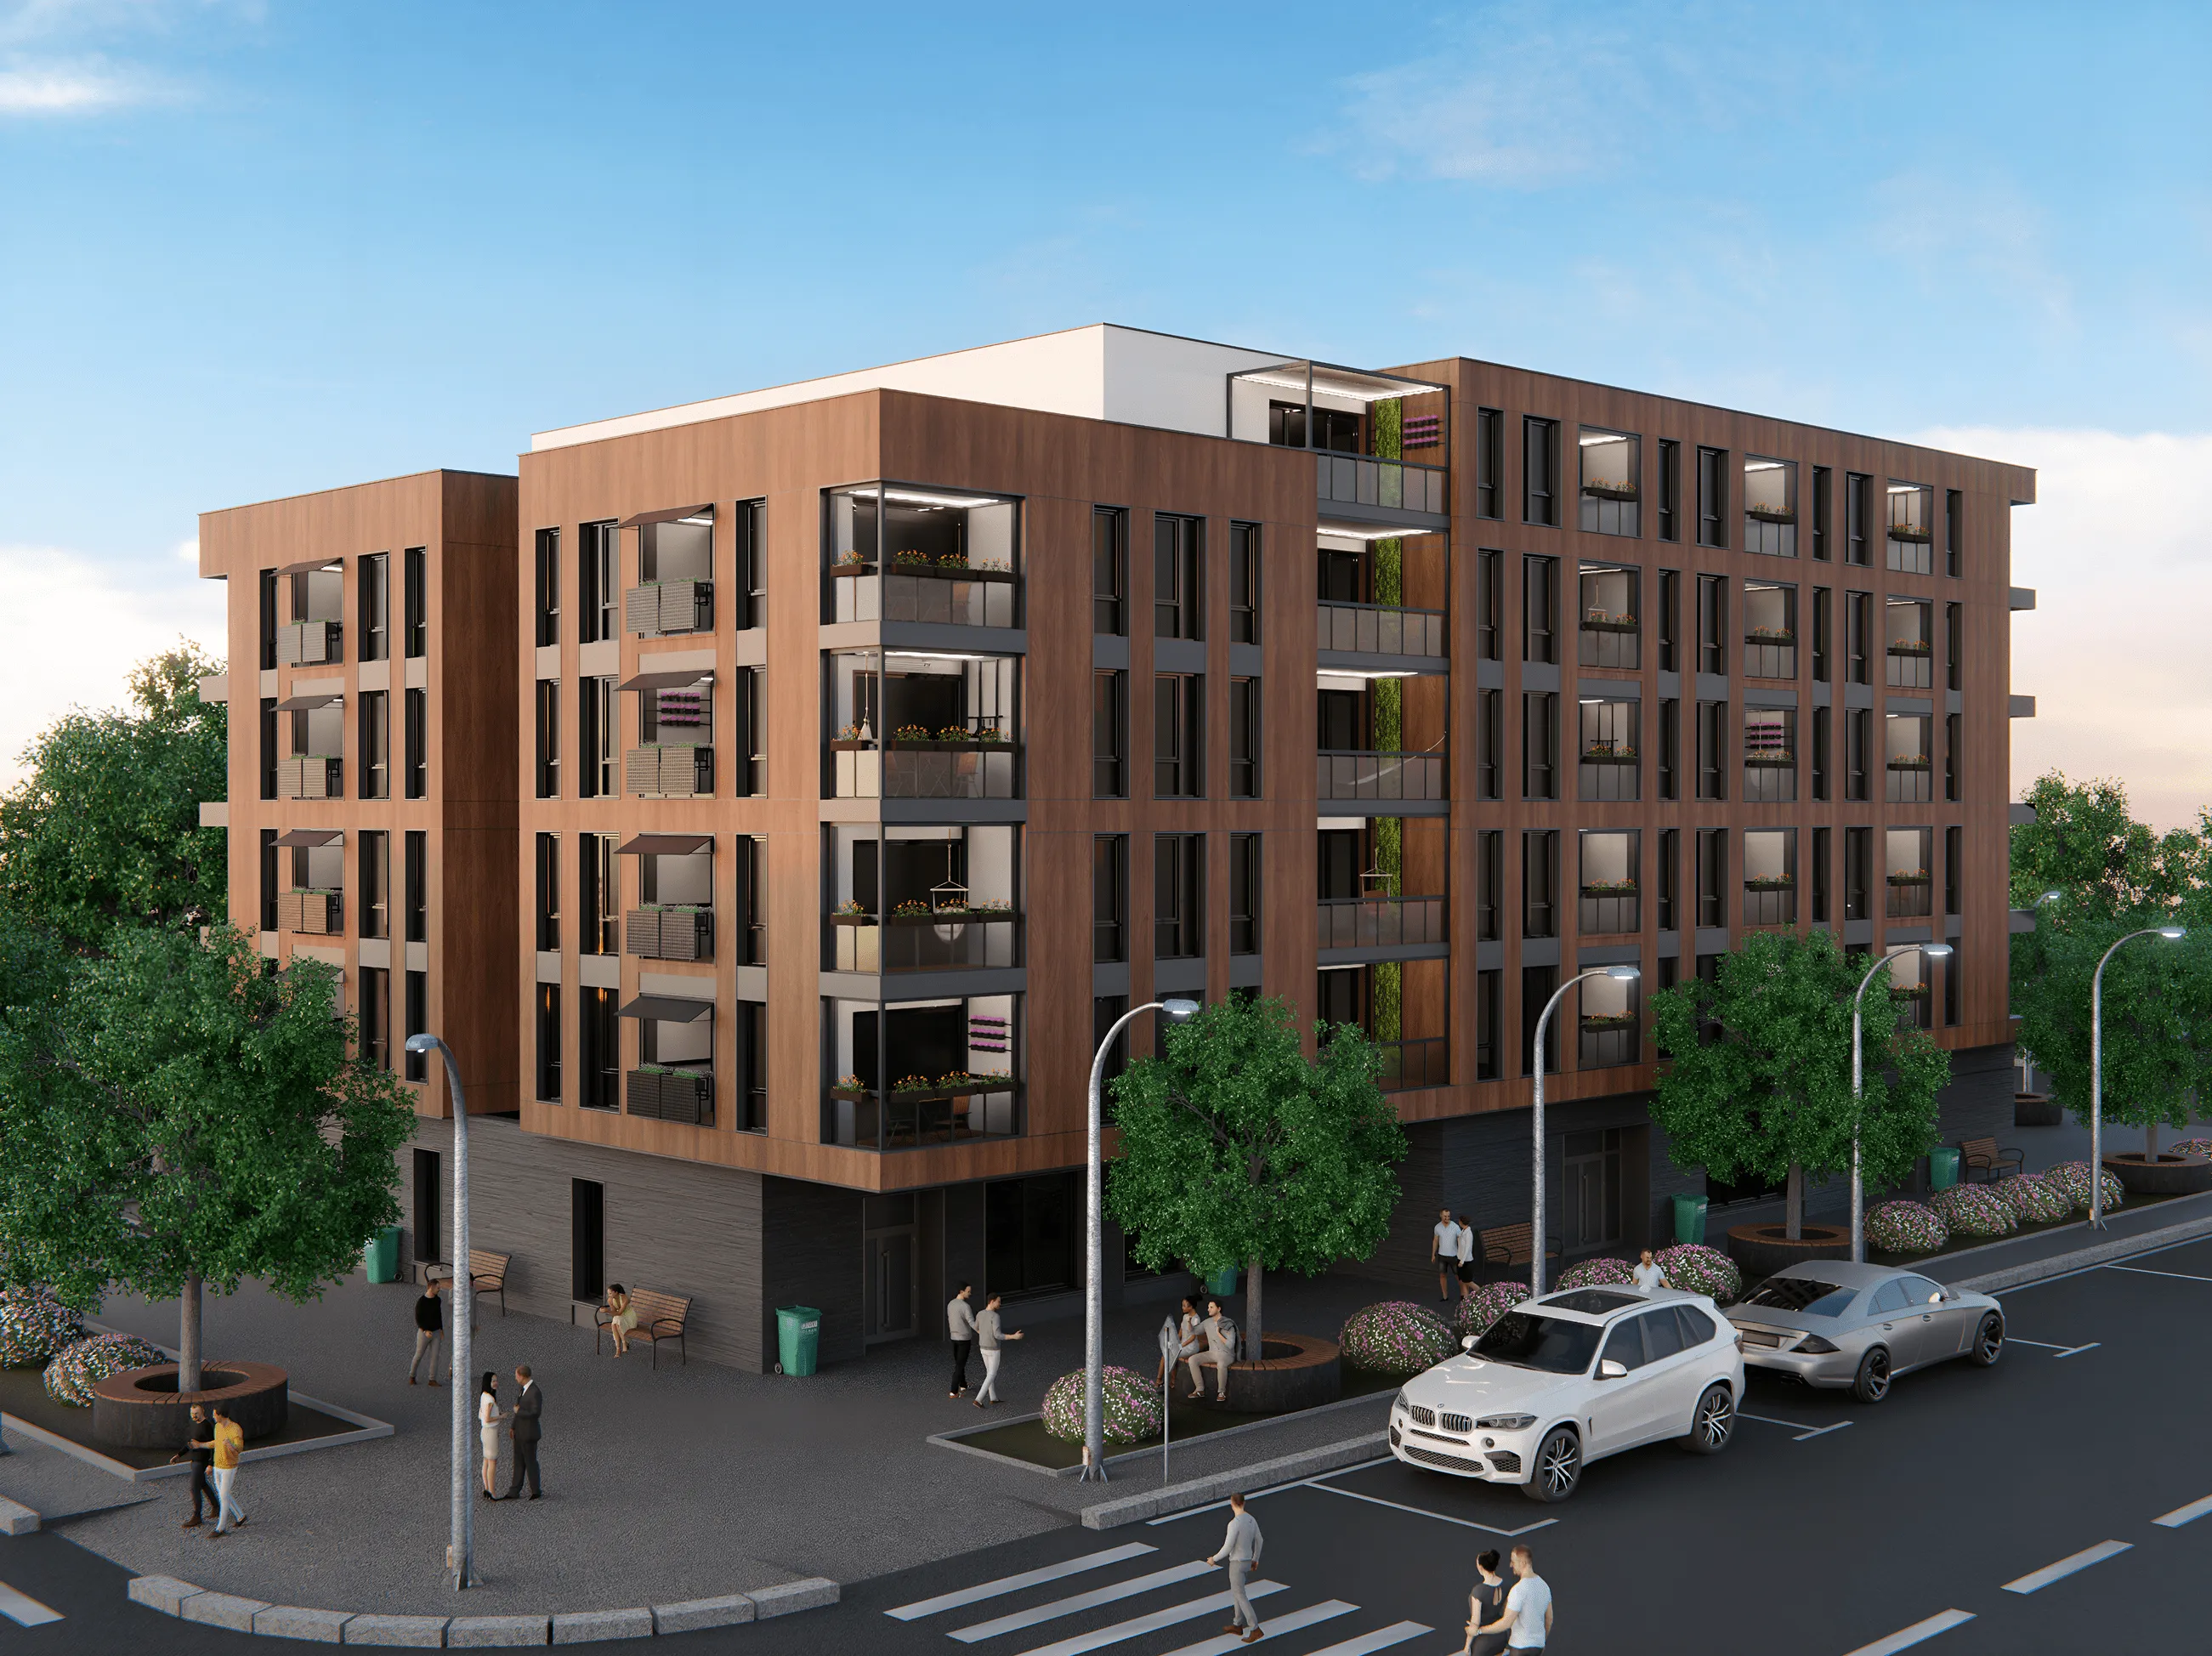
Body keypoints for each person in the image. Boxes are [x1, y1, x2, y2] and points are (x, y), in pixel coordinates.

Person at [1204, 1491, 1264, 1644]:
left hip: (1236, 1563)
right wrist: (1255, 1559)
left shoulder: (1234, 1524)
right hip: (1247, 1562)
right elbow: (1260, 1540)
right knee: (1238, 1593)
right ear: (1243, 1503)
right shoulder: (1251, 1520)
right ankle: (1237, 1624)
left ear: (1232, 1504)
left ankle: (1255, 1628)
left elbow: (1227, 1547)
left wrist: (1213, 1559)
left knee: (1240, 1595)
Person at [168, 1404, 216, 1529]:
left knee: (194, 1488)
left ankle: (197, 1516)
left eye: (196, 1413)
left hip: (202, 1461)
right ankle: (216, 1507)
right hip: (194, 1459)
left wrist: (211, 1464)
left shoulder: (207, 1426)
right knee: (202, 1484)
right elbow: (191, 1443)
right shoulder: (193, 1424)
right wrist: (179, 1455)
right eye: (192, 1414)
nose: (194, 1416)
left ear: (202, 1412)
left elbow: (213, 1445)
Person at [973, 1292, 1024, 1406]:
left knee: (989, 1373)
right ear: (992, 1301)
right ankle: (979, 1399)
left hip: (983, 1348)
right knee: (992, 1374)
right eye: (998, 1301)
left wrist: (985, 1336)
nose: (1000, 1304)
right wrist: (1013, 1336)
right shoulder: (995, 1316)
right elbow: (998, 1335)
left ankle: (993, 1398)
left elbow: (976, 1327)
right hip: (994, 1349)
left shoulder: (980, 1314)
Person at [502, 1364, 542, 1500]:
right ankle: (514, 1490)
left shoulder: (535, 1392)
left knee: (530, 1462)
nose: (515, 1378)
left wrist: (520, 1412)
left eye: (516, 1375)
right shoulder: (523, 1389)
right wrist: (513, 1426)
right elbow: (517, 1409)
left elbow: (535, 1412)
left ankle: (535, 1490)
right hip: (520, 1432)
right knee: (518, 1461)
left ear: (522, 1376)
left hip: (529, 1433)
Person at [1502, 1545, 1552, 1653]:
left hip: (1519, 1647)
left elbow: (1506, 1623)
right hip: (1537, 1647)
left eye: (1513, 1562)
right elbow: (1549, 1619)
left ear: (1523, 1563)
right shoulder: (1544, 1587)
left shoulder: (1518, 1590)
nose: (1511, 1565)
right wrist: (1541, 1641)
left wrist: (1480, 1630)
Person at [207, 1404, 247, 1538]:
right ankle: (240, 1516)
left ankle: (221, 1527)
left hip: (229, 1467)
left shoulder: (235, 1429)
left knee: (223, 1496)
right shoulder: (217, 1427)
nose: (213, 1416)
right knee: (223, 1494)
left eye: (214, 1414)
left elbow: (239, 1448)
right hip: (218, 1465)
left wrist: (230, 1445)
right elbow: (216, 1444)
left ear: (220, 1415)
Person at [1461, 1549, 1511, 1656]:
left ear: (1480, 1567)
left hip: (1484, 1642)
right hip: (1501, 1635)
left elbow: (1475, 1623)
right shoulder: (1507, 1585)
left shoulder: (1478, 1591)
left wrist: (1467, 1646)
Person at [1186, 1300, 1234, 1403]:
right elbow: (1194, 1331)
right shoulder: (1207, 1322)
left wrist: (1219, 1333)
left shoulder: (1228, 1323)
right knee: (1192, 1360)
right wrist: (1189, 1323)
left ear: (1219, 1308)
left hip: (1226, 1354)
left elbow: (1231, 1344)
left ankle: (1221, 1392)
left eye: (1211, 1307)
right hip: (1212, 1353)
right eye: (1208, 1307)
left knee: (1221, 1364)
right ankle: (1199, 1389)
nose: (1208, 1309)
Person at [408, 1275, 445, 1385]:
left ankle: (432, 1379)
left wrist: (441, 1329)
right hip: (424, 1333)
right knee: (419, 1355)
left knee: (435, 1356)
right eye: (438, 1288)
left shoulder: (438, 1300)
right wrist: (425, 1330)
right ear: (430, 1287)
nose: (439, 1289)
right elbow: (418, 1318)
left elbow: (439, 1315)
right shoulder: (422, 1302)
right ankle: (412, 1375)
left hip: (436, 1332)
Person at [1159, 1297, 1204, 1386]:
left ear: (1191, 1307)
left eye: (1184, 1306)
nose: (1182, 1308)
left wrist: (1181, 1345)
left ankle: (1170, 1380)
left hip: (1191, 1347)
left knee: (1170, 1355)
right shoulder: (1185, 1316)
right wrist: (1175, 1341)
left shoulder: (1196, 1319)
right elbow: (1181, 1331)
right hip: (1182, 1344)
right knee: (1166, 1354)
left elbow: (1193, 1337)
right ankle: (1161, 1380)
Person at [947, 1283, 977, 1398]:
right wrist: (981, 1331)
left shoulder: (950, 1304)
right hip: (964, 1338)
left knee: (959, 1362)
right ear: (961, 1291)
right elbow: (971, 1322)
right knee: (960, 1364)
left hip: (953, 1337)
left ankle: (963, 1384)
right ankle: (953, 1391)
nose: (970, 1293)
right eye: (968, 1291)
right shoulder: (965, 1306)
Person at [1432, 1209, 1462, 1303]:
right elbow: (1436, 1241)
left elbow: (1460, 1240)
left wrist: (1461, 1254)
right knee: (1442, 1276)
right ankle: (1445, 1296)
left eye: (1448, 1216)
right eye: (1445, 1216)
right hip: (1442, 1256)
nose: (1447, 1218)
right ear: (1441, 1216)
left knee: (1458, 1276)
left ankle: (1464, 1294)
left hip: (1454, 1256)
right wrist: (1433, 1254)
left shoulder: (1455, 1227)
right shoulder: (1437, 1227)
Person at [604, 1283, 639, 1357]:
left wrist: (607, 1311)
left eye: (610, 1293)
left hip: (629, 1316)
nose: (609, 1295)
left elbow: (620, 1312)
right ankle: (619, 1348)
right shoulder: (610, 1300)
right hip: (620, 1317)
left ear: (616, 1292)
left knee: (617, 1322)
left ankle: (623, 1344)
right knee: (614, 1324)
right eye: (608, 1293)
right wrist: (608, 1310)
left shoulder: (624, 1298)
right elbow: (614, 1313)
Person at [1455, 1212, 1478, 1305]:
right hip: (1460, 1259)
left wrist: (1462, 1261)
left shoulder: (1469, 1234)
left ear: (1461, 1222)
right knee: (1462, 1281)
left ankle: (1481, 1293)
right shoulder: (1463, 1232)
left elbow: (1468, 1248)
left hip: (1466, 1262)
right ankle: (1466, 1301)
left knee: (1468, 1282)